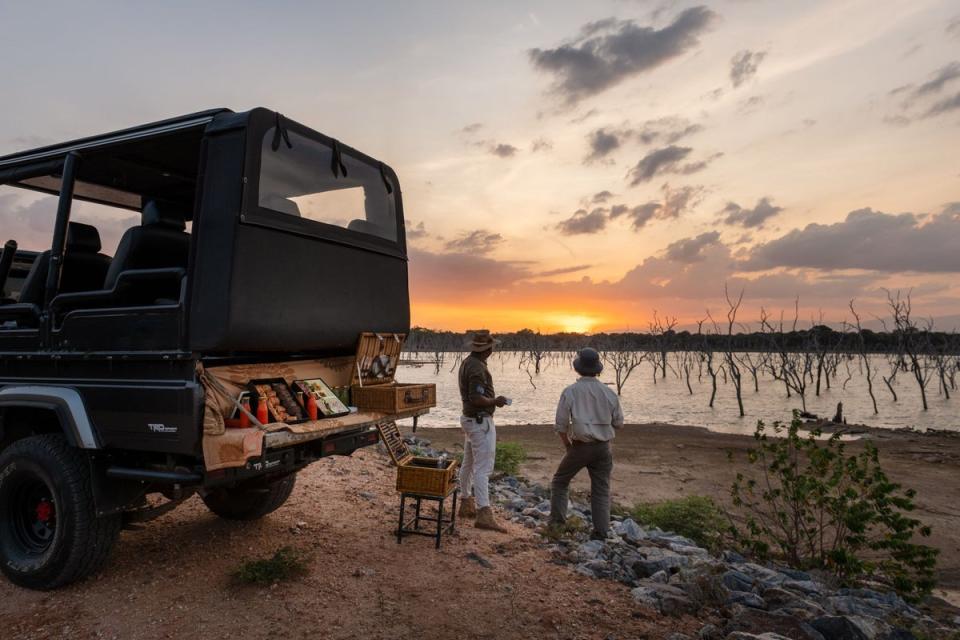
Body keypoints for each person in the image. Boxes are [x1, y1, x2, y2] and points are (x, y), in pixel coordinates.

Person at [549, 347, 623, 540]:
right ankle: (601, 531)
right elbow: (619, 423)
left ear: (577, 368)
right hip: (603, 447)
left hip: (580, 446)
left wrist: (568, 446)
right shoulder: (609, 393)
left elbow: (561, 425)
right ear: (597, 369)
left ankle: (557, 525)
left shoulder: (570, 391)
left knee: (559, 482)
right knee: (601, 488)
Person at [457, 330, 509, 532]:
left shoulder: (467, 363)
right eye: (492, 347)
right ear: (487, 350)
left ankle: (465, 502)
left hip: (469, 419)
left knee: (468, 463)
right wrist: (496, 401)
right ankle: (484, 512)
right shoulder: (477, 369)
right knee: (483, 468)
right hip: (480, 421)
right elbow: (476, 398)